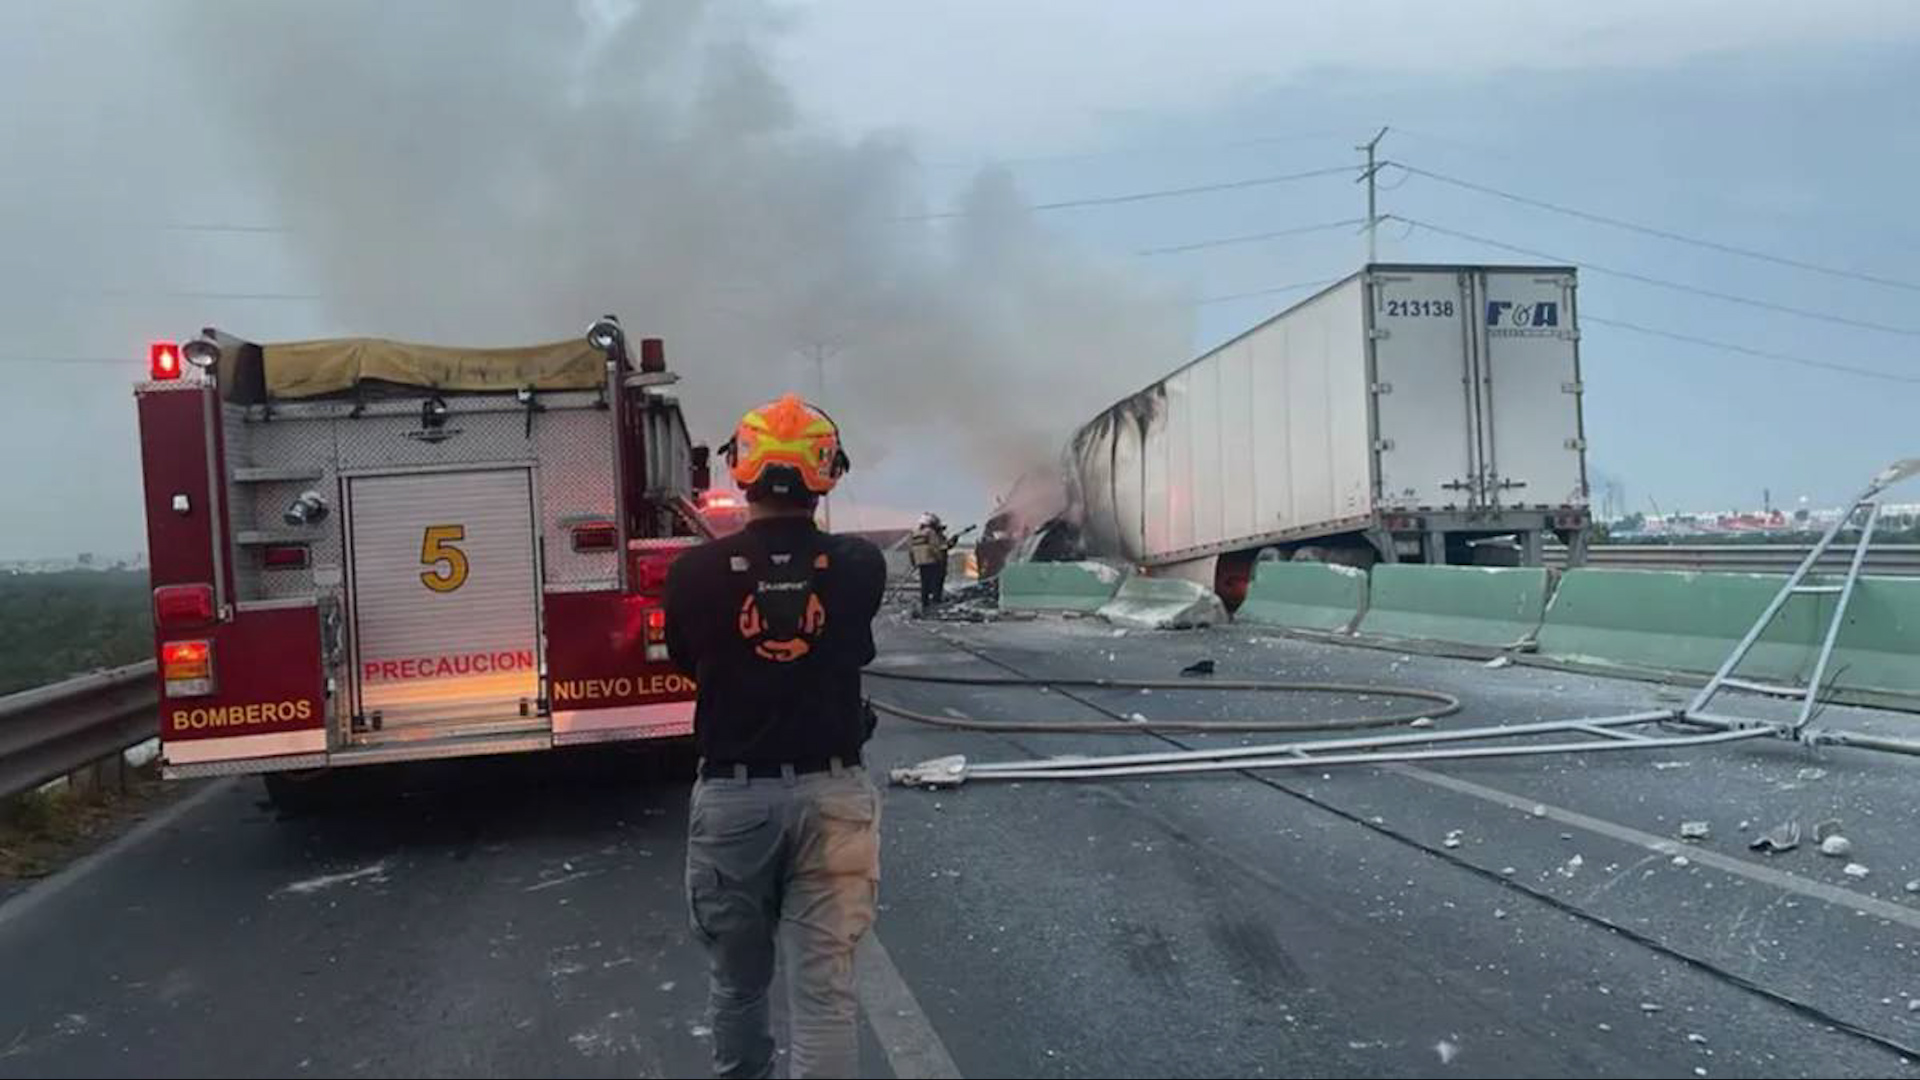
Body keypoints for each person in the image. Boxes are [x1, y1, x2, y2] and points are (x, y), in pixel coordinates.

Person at [664, 392, 888, 1080]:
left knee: (738, 984)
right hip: (833, 796)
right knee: (823, 994)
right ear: (829, 473)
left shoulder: (693, 572)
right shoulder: (860, 566)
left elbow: (683, 658)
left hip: (734, 800)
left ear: (742, 471)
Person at [907, 512, 953, 610]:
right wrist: (940, 558)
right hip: (932, 562)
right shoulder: (930, 532)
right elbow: (935, 547)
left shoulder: (915, 533)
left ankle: (925, 604)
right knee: (936, 584)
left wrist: (914, 562)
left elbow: (911, 550)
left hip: (921, 562)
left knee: (925, 585)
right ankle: (935, 604)